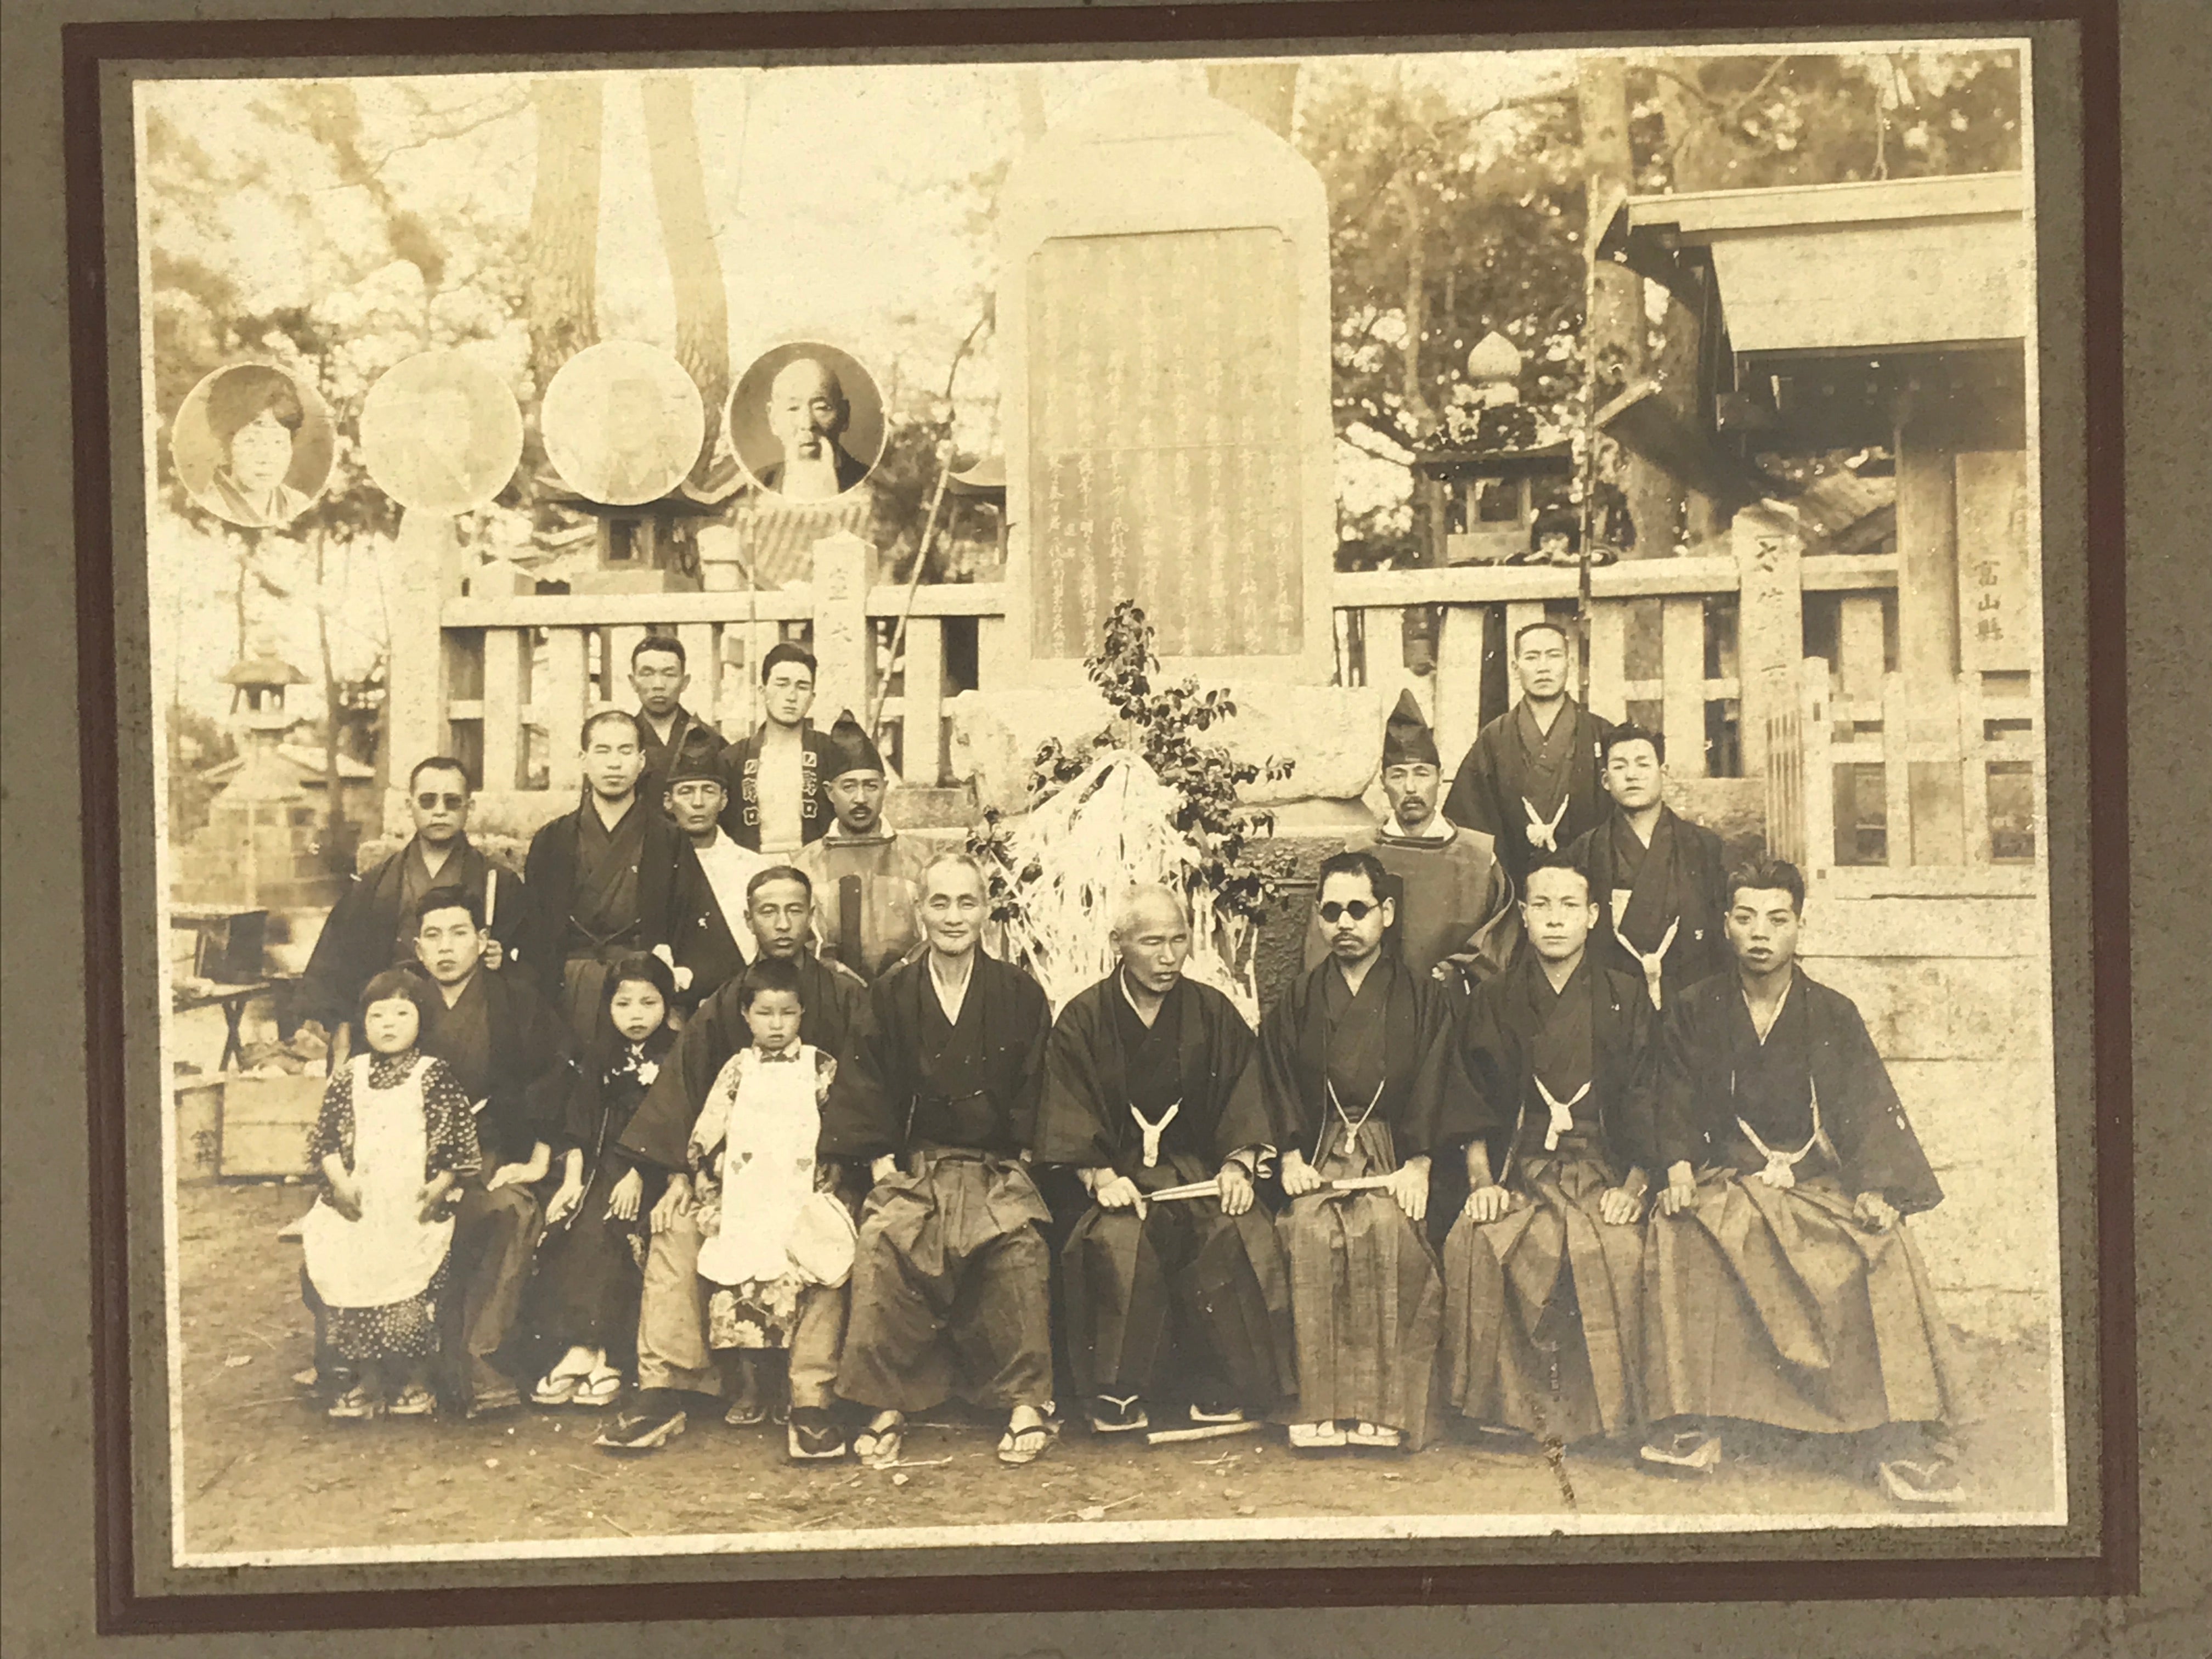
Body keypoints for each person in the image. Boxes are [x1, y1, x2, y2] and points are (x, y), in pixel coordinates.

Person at [1640, 860, 1963, 1506]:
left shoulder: (1833, 1013)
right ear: (1726, 926)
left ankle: (1898, 1434)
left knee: (1883, 1251)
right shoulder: (1693, 1008)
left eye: (1778, 919)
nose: (1761, 933)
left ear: (1800, 927)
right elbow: (1666, 1097)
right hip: (1727, 1176)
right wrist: (1674, 1164)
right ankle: (1694, 1418)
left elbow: (1870, 1106)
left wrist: (1878, 1187)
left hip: (1815, 1180)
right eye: (1746, 917)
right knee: (1681, 1230)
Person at [597, 866, 870, 1454]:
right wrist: (676, 1175)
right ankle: (665, 1386)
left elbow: (866, 1090)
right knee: (674, 1229)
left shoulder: (844, 995)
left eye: (794, 910)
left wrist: (843, 1164)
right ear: (748, 920)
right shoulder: (725, 1004)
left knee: (827, 1241)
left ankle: (812, 1399)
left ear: (811, 916)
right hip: (732, 1183)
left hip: (819, 1173)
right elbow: (688, 1091)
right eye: (767, 911)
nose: (781, 923)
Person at [1219, 850, 1470, 1451]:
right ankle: (1318, 1407)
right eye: (1331, 912)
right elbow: (1273, 1081)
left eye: (1358, 909)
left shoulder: (1423, 998)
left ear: (1386, 913)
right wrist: (1287, 1159)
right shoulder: (1302, 997)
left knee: (1386, 1228)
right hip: (1321, 1149)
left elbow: (1439, 1082)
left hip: (1392, 1150)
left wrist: (1420, 1163)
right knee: (1306, 1230)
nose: (1345, 924)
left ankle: (1385, 1408)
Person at [820, 852, 1059, 1469]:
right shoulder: (891, 993)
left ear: (987, 910)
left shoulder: (1019, 994)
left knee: (1020, 1247)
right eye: (941, 903)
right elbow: (864, 1086)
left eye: (967, 902)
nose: (954, 917)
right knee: (882, 1242)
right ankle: (884, 1403)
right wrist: (881, 1170)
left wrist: (1021, 1165)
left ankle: (1025, 1402)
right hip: (913, 1169)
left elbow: (1039, 1090)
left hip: (993, 1169)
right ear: (920, 910)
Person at [1035, 884, 1294, 1437]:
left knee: (1237, 1227)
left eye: (1179, 940)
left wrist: (1239, 1165)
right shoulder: (1083, 1019)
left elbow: (1244, 1099)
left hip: (1195, 1172)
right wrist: (1098, 1174)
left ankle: (1227, 1384)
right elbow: (1065, 1110)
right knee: (1117, 1242)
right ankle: (1118, 1389)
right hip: (1118, 1176)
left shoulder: (1211, 1011)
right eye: (1152, 942)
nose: (1168, 956)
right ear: (1118, 945)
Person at [1438, 860, 1661, 1449]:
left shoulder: (1626, 996)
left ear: (1592, 917)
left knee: (1619, 1247)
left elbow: (1648, 1098)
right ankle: (1501, 1405)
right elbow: (1471, 1100)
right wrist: (1482, 1181)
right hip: (1523, 1161)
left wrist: (1633, 1188)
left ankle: (1609, 1412)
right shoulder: (1495, 998)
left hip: (1603, 1162)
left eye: (1569, 906)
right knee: (1476, 1239)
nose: (1555, 919)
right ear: (1525, 916)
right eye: (1542, 905)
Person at [406, 887, 572, 1417]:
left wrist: (541, 1157)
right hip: (416, 1155)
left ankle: (483, 1359)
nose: (447, 948)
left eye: (459, 933)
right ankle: (408, 1362)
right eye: (433, 936)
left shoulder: (517, 1000)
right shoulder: (401, 1003)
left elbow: (556, 1077)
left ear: (483, 940)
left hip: (497, 1147)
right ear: (418, 948)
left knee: (510, 1210)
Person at [685, 956, 851, 1452]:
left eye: (787, 1014)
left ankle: (792, 1389)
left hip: (797, 1193)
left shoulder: (820, 1067)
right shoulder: (737, 1069)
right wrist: (707, 1180)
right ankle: (752, 1388)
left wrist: (832, 1172)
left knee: (792, 1288)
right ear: (746, 1016)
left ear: (802, 1014)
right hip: (747, 1193)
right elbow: (709, 1129)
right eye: (765, 1014)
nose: (776, 1025)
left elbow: (839, 1128)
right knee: (742, 1291)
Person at [301, 969, 478, 1421]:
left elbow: (457, 1146)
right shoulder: (351, 1075)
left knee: (407, 1277)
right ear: (364, 1022)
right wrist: (340, 1182)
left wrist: (437, 1190)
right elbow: (324, 1142)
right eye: (377, 1015)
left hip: (413, 1199)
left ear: (422, 1020)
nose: (389, 1024)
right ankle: (363, 1377)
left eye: (402, 1013)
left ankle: (408, 1377)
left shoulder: (432, 1075)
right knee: (345, 1259)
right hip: (358, 1198)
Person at [518, 952, 678, 1410]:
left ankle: (610, 1354)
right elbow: (581, 1124)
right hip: (600, 1167)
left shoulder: (675, 1055)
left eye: (649, 1003)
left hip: (652, 1171)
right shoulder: (599, 1055)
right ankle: (577, 1348)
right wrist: (571, 1180)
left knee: (616, 1228)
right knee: (573, 1225)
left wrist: (638, 1173)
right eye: (624, 1004)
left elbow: (670, 1122)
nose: (636, 1015)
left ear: (667, 1006)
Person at [295, 755, 523, 1063]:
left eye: (452, 802)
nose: (439, 811)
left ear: (470, 808)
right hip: (391, 1021)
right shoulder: (374, 886)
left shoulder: (499, 882)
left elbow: (530, 964)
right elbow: (339, 964)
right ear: (410, 806)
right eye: (428, 801)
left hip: (470, 1026)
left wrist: (503, 959)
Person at [1305, 690, 1516, 991]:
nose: (1411, 787)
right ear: (1383, 783)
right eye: (1397, 775)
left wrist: (1460, 973)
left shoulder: (1479, 857)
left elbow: (1501, 942)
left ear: (1440, 778)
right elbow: (1321, 947)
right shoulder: (1358, 853)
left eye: (1422, 773)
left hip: (1455, 1010)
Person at [517, 710, 682, 1049]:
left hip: (641, 987)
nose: (614, 764)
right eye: (603, 751)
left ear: (641, 761)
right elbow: (536, 933)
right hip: (569, 987)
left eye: (625, 751)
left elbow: (683, 921)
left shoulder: (668, 838)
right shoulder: (552, 839)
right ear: (583, 760)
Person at [1564, 724, 1730, 1012]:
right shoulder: (1585, 851)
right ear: (1605, 780)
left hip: (1692, 1008)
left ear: (1663, 773)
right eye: (1619, 766)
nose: (1632, 775)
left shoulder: (1704, 847)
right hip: (1608, 1007)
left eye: (1643, 764)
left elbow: (1722, 940)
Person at [1442, 620, 1616, 897]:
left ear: (1569, 663)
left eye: (1554, 655)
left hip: (1589, 886)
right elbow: (1469, 818)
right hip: (1515, 887)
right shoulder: (1495, 737)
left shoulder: (1601, 733)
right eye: (1532, 657)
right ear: (1515, 667)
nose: (1543, 667)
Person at [793, 709, 931, 980]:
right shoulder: (806, 864)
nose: (860, 798)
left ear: (885, 787)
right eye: (849, 787)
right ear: (829, 792)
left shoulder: (918, 858)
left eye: (870, 786)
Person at [662, 726, 766, 1012]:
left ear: (724, 800)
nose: (698, 803)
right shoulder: (652, 866)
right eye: (686, 792)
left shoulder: (753, 867)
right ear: (668, 802)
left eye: (708, 791)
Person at [718, 642, 836, 855]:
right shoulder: (734, 758)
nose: (792, 696)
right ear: (763, 691)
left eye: (802, 687)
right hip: (753, 867)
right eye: (782, 684)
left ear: (812, 698)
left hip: (817, 868)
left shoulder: (830, 752)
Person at [200, 365, 315, 527]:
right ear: (227, 442)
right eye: (251, 441)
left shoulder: (297, 503)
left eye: (278, 442)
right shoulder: (209, 507)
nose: (266, 458)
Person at [629, 634, 726, 816]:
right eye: (647, 674)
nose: (658, 685)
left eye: (669, 674)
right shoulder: (620, 743)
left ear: (685, 682)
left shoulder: (710, 740)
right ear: (633, 682)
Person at [755, 357, 871, 499]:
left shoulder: (871, 486)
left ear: (844, 415)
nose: (807, 424)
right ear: (773, 419)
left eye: (821, 408)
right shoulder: (757, 486)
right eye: (793, 409)